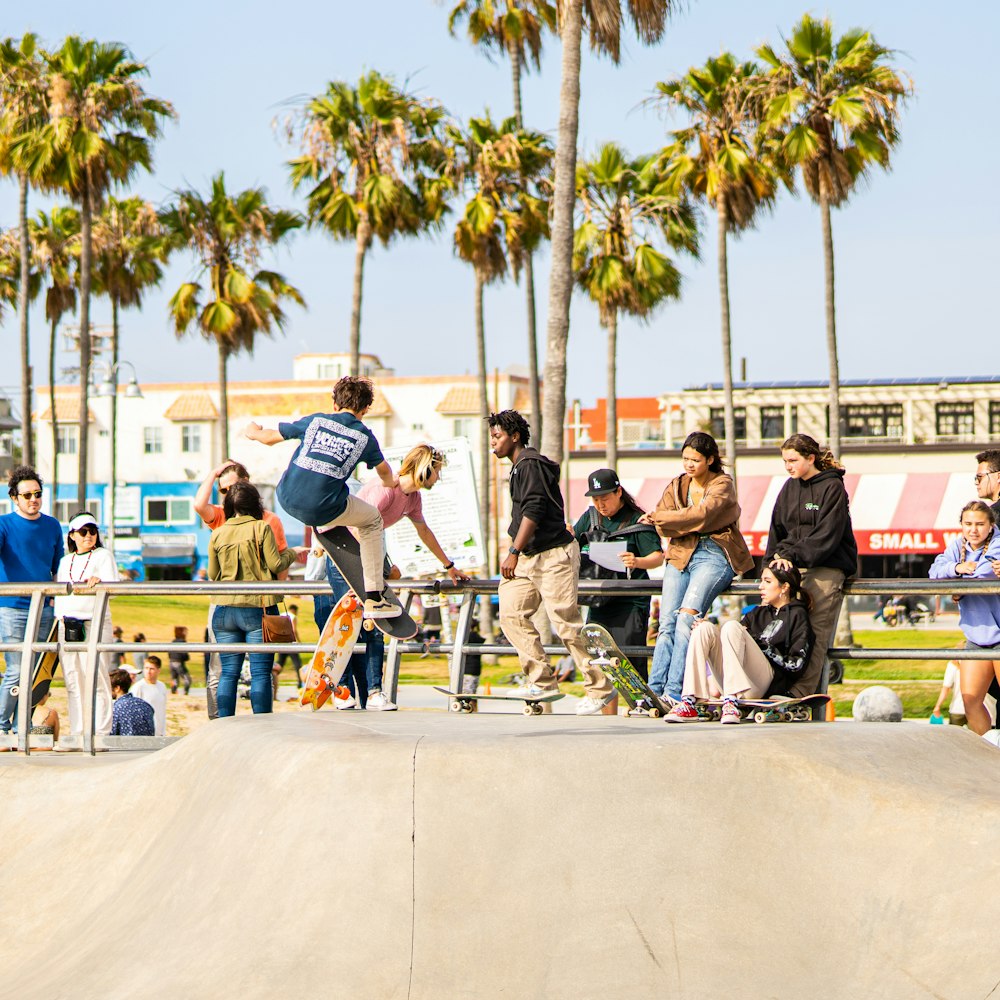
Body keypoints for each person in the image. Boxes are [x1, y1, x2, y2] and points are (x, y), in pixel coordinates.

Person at [489, 409, 617, 716]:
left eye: (497, 437)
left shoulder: (530, 464)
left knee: (565, 622)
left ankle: (600, 687)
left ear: (514, 436)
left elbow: (534, 509)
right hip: (527, 560)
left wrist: (513, 551)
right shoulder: (519, 468)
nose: (492, 444)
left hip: (552, 556)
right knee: (510, 613)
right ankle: (542, 682)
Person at [244, 374, 399, 619]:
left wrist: (252, 431)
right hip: (324, 508)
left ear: (335, 404)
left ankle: (327, 522)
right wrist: (392, 483)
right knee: (372, 520)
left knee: (312, 472)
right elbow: (384, 472)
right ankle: (375, 597)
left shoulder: (316, 421)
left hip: (286, 498)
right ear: (365, 409)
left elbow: (268, 438)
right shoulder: (365, 437)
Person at [343, 443, 471, 711]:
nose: (439, 477)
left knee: (378, 621)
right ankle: (344, 690)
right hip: (347, 551)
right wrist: (370, 571)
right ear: (426, 468)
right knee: (357, 621)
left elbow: (424, 531)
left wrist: (449, 565)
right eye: (437, 471)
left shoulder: (412, 499)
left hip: (372, 554)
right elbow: (356, 526)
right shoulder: (386, 490)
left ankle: (374, 692)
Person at [640, 432, 754, 702]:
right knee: (665, 622)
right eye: (685, 459)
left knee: (685, 620)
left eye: (695, 460)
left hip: (714, 554)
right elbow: (664, 523)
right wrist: (673, 520)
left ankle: (674, 693)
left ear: (710, 459)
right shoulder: (677, 484)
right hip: (679, 554)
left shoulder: (723, 484)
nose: (689, 465)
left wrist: (669, 519)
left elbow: (704, 515)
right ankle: (655, 691)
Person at [194, 459, 290, 719]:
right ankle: (262, 726)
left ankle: (224, 725)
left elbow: (213, 574)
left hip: (223, 610)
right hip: (256, 607)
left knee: (228, 672)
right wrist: (293, 555)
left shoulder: (218, 531)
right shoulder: (263, 526)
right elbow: (277, 563)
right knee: (260, 672)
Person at [765, 433, 858, 698]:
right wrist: (769, 564)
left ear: (811, 458)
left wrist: (791, 556)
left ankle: (800, 694)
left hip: (827, 564)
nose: (788, 466)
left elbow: (827, 536)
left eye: (793, 460)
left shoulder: (832, 487)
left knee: (814, 632)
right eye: (784, 461)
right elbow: (776, 529)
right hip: (790, 565)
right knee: (777, 627)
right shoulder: (788, 487)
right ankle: (771, 687)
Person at [665, 563, 814, 723]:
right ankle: (689, 700)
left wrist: (761, 645)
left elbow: (795, 665)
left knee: (732, 626)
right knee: (704, 629)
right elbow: (732, 640)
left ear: (784, 587)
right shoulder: (757, 613)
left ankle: (731, 701)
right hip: (735, 681)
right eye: (761, 581)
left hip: (765, 684)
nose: (761, 587)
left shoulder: (798, 616)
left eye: (767, 581)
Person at [572, 468, 663, 680]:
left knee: (630, 660)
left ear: (619, 492)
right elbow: (572, 544)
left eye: (604, 498)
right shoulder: (591, 517)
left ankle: (640, 707)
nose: (600, 505)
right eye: (595, 500)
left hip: (630, 602)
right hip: (599, 600)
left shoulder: (637, 520)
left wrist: (637, 561)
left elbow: (657, 557)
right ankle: (607, 712)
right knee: (599, 662)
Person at [0, 465, 64, 736]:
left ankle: (21, 729)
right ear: (14, 497)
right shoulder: (4, 524)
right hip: (12, 608)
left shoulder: (52, 525)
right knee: (16, 670)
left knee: (35, 672)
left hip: (44, 608)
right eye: (27, 495)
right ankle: (1, 728)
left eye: (38, 493)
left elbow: (60, 565)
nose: (33, 499)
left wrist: (55, 598)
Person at [929, 501, 1000, 735]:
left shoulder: (998, 543)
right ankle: (989, 752)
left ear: (991, 525)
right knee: (970, 700)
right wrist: (958, 568)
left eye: (980, 524)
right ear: (961, 525)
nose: (973, 529)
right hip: (976, 636)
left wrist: (959, 583)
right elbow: (934, 571)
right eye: (968, 524)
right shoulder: (958, 547)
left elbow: (984, 571)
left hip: (999, 635)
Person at [53, 512, 119, 738]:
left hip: (95, 622)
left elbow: (115, 588)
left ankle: (100, 732)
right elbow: (60, 594)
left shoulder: (103, 555)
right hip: (68, 624)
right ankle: (78, 731)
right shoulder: (65, 561)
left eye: (92, 531)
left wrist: (101, 582)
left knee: (97, 677)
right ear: (72, 535)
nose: (88, 535)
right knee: (73, 679)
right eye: (83, 532)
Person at [109, 668, 156, 737]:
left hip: (125, 747)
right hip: (148, 746)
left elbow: (110, 737)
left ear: (117, 688)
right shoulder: (145, 705)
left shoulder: (116, 709)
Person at [132, 655, 168, 736]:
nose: (148, 671)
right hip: (145, 733)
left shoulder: (162, 686)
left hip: (159, 732)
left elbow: (162, 710)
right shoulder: (139, 687)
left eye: (151, 669)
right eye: (146, 668)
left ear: (158, 670)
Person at [168, 626, 192, 695]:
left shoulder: (173, 642)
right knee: (187, 679)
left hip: (171, 662)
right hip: (179, 663)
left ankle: (173, 692)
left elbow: (169, 653)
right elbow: (184, 654)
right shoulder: (182, 642)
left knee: (175, 679)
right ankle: (185, 692)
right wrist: (186, 658)